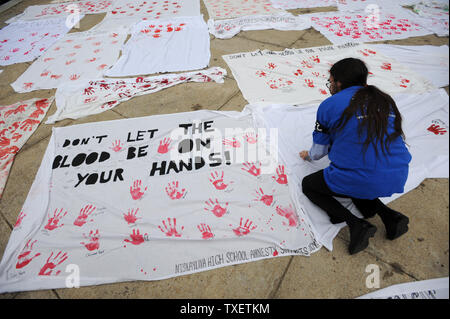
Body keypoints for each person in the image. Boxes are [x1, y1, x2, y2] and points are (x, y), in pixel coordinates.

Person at [299, 58, 412, 255]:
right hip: (398, 174)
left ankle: (356, 224)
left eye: (331, 81)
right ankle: (391, 217)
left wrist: (307, 156)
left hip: (361, 178)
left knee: (309, 184)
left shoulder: (330, 104)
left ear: (339, 83)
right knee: (360, 178)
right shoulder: (385, 100)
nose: (330, 85)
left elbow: (319, 152)